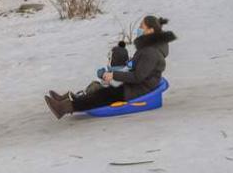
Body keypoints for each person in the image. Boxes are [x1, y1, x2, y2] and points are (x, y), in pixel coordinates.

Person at [45, 16, 176, 119]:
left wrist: (114, 75)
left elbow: (138, 76)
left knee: (103, 95)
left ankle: (65, 108)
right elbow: (137, 67)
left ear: (151, 30)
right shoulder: (149, 48)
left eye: (142, 27)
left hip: (138, 89)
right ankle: (69, 100)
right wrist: (116, 71)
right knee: (100, 89)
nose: (139, 29)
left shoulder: (151, 52)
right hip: (135, 85)